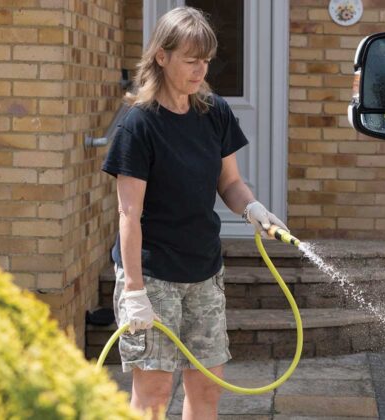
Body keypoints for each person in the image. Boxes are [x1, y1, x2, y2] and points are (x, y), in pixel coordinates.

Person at [101, 7, 287, 419]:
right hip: (152, 275)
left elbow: (230, 183)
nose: (201, 69)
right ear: (162, 57)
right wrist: (133, 291)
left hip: (203, 269)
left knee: (206, 386)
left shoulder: (213, 112)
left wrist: (252, 207)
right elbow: (128, 213)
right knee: (154, 389)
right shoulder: (139, 125)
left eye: (206, 60)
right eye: (191, 59)